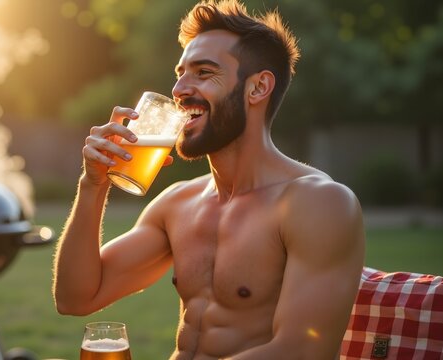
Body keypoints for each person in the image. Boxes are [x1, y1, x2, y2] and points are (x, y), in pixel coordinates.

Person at [52, 0, 365, 358]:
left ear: (258, 88)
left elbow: (304, 350)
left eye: (203, 72)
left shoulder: (318, 203)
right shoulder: (177, 203)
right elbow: (75, 298)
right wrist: (92, 186)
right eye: (180, 72)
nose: (180, 89)